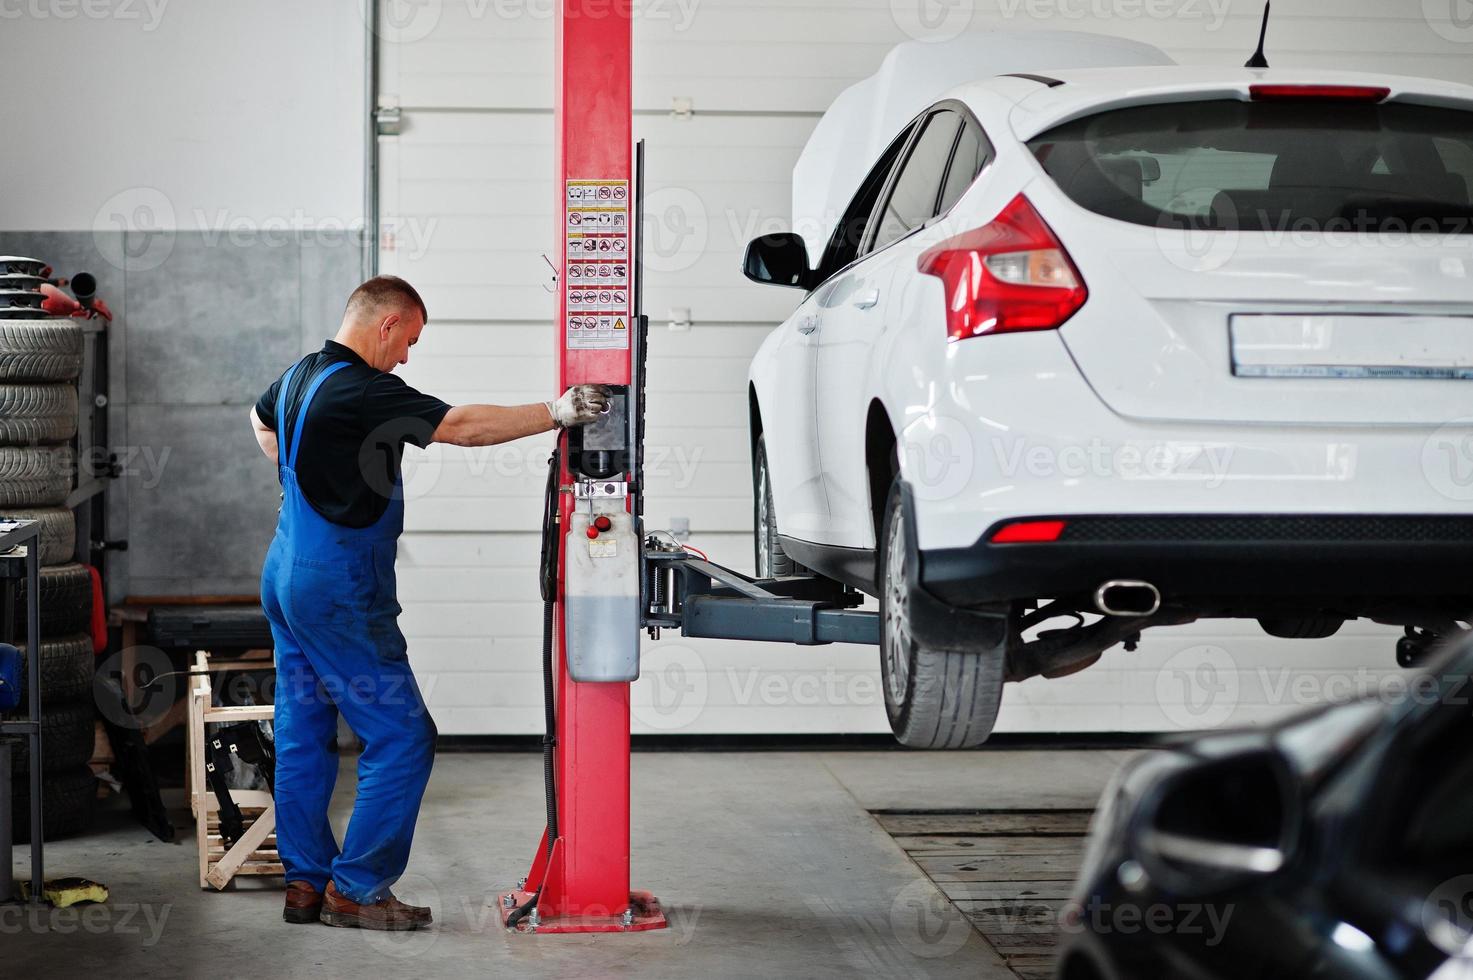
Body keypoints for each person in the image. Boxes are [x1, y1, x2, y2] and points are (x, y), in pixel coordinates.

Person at [250, 275, 608, 931]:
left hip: (285, 567)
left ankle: (304, 883)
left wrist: (305, 477)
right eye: (409, 341)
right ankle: (355, 890)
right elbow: (463, 428)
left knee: (303, 732)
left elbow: (259, 421)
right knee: (402, 734)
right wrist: (557, 412)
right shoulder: (365, 389)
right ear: (385, 325)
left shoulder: (301, 375)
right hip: (337, 584)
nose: (408, 356)